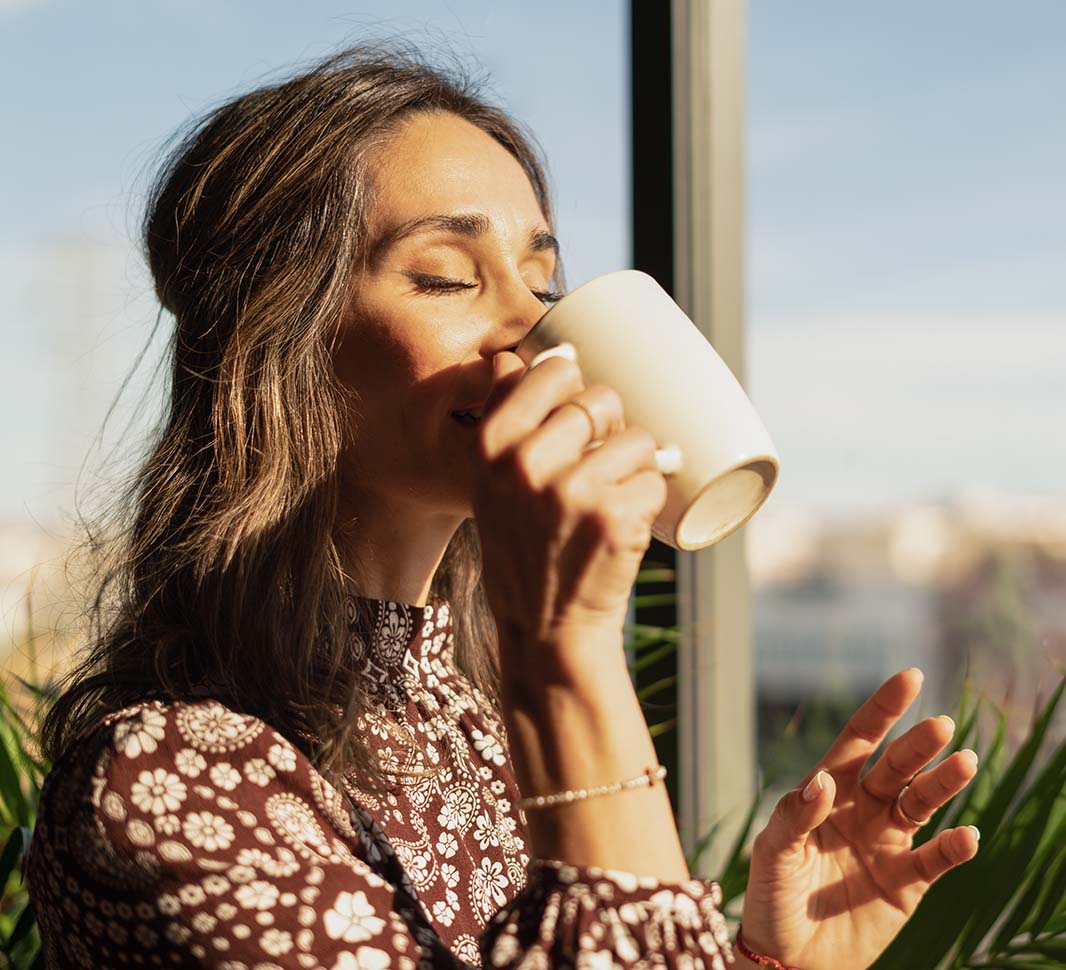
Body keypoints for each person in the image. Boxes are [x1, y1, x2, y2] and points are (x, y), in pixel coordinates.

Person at [25, 42, 980, 970]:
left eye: (541, 279)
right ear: (278, 336)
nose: (534, 328)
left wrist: (766, 961)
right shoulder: (168, 781)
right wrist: (565, 648)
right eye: (446, 276)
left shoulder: (474, 718)